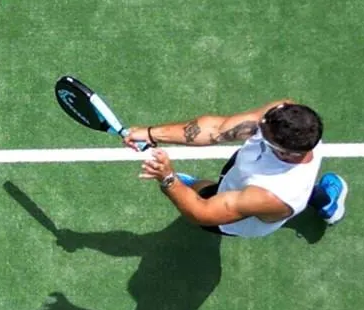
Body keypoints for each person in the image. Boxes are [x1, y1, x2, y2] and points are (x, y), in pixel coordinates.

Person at [120, 100, 347, 236]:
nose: (258, 125)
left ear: (285, 151)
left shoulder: (269, 195)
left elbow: (201, 212)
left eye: (263, 134)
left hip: (245, 216)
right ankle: (327, 203)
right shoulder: (286, 119)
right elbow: (217, 129)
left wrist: (168, 178)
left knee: (205, 192)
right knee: (307, 191)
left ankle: (190, 186)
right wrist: (150, 133)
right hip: (253, 174)